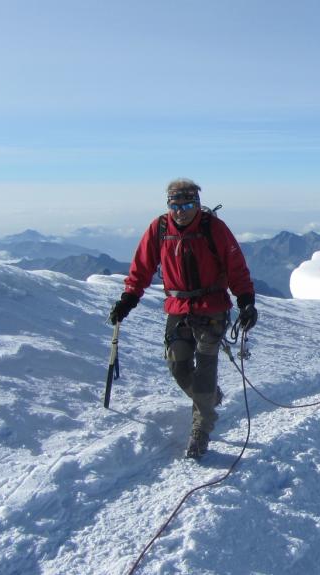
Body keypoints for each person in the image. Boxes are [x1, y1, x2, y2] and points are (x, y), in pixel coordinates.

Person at [109, 178, 257, 459]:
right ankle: (209, 399)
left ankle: (201, 430)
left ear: (198, 205)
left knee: (205, 367)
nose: (180, 211)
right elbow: (141, 268)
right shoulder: (160, 228)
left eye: (187, 205)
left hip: (212, 307)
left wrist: (246, 301)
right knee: (177, 365)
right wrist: (128, 300)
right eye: (174, 205)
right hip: (178, 307)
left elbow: (236, 268)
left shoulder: (213, 228)